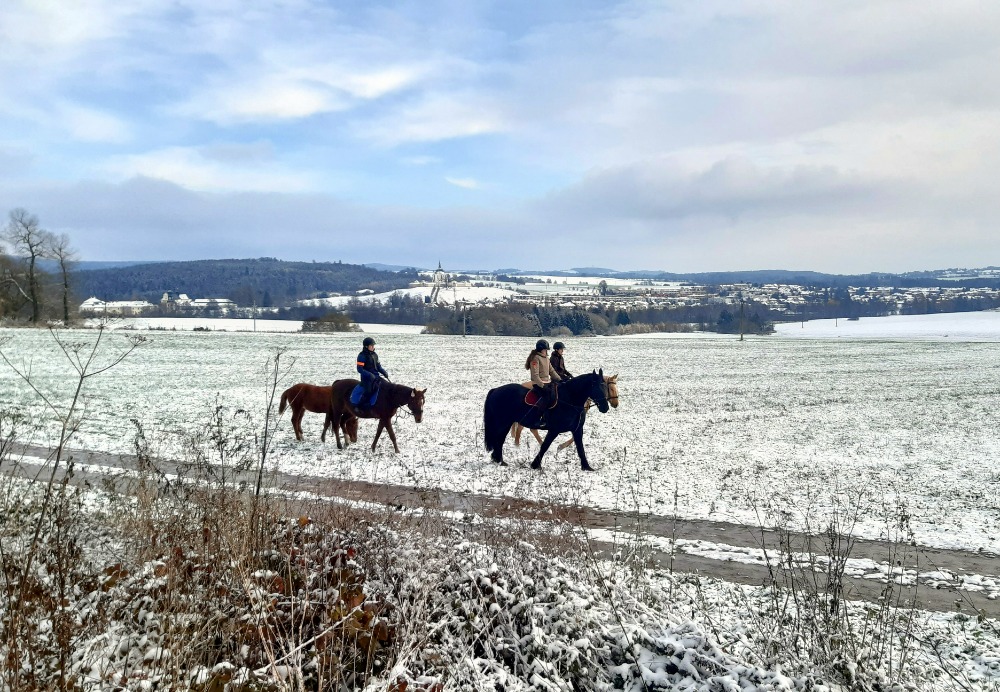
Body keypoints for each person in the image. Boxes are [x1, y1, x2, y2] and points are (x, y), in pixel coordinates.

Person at [525, 338, 561, 424]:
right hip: (538, 384)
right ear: (541, 349)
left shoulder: (546, 359)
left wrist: (560, 380)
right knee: (547, 397)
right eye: (545, 350)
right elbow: (535, 375)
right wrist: (542, 385)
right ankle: (539, 418)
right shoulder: (535, 358)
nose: (546, 351)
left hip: (547, 383)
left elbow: (552, 371)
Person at [356, 336, 389, 410]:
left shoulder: (374, 355)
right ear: (366, 346)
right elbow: (359, 369)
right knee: (368, 391)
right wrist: (369, 374)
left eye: (373, 345)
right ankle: (360, 406)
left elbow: (378, 366)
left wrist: (384, 372)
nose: (373, 347)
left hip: (376, 377)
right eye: (371, 345)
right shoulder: (362, 356)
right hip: (366, 378)